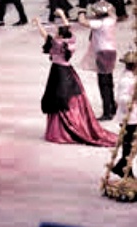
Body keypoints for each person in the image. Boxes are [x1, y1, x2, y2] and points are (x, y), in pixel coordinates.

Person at [32, 12, 116, 147]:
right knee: (68, 99)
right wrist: (63, 16)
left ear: (60, 35)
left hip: (58, 73)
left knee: (59, 99)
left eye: (57, 32)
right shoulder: (70, 41)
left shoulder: (57, 44)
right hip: (68, 71)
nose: (55, 33)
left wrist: (38, 24)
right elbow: (67, 28)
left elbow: (45, 35)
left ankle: (59, 130)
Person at [75, 2, 118, 120]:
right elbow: (112, 11)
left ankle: (107, 112)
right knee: (109, 80)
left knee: (103, 83)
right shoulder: (111, 20)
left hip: (102, 52)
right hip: (112, 51)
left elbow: (82, 21)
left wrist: (81, 10)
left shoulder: (99, 23)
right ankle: (112, 107)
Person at [110, 50, 137, 177]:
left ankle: (123, 166)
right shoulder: (127, 80)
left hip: (133, 115)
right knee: (129, 144)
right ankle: (123, 167)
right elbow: (121, 99)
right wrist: (133, 98)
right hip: (129, 117)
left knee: (131, 145)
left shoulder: (132, 78)